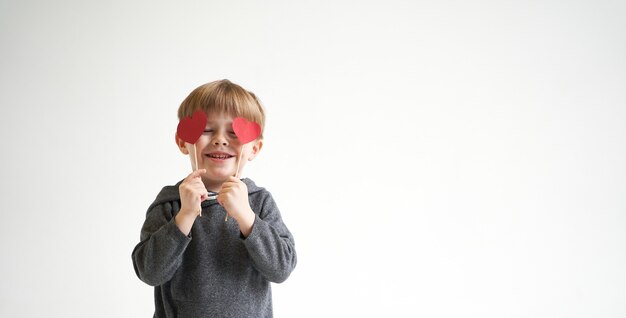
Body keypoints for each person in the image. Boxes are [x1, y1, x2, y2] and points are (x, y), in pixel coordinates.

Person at [132, 79, 297, 317]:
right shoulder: (170, 203)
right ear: (182, 141)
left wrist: (247, 218)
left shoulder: (259, 202)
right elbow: (150, 272)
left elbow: (281, 269)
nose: (220, 139)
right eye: (207, 130)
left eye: (234, 132)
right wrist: (184, 216)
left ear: (254, 149)